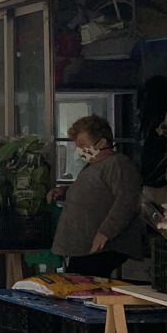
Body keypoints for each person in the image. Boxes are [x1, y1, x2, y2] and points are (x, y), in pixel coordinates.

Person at [48, 115, 143, 278]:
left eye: (84, 145)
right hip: (85, 246)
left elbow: (127, 200)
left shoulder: (117, 164)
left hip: (104, 245)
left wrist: (106, 232)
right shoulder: (92, 167)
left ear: (102, 143)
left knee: (81, 286)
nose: (79, 150)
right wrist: (64, 192)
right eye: (77, 146)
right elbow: (94, 192)